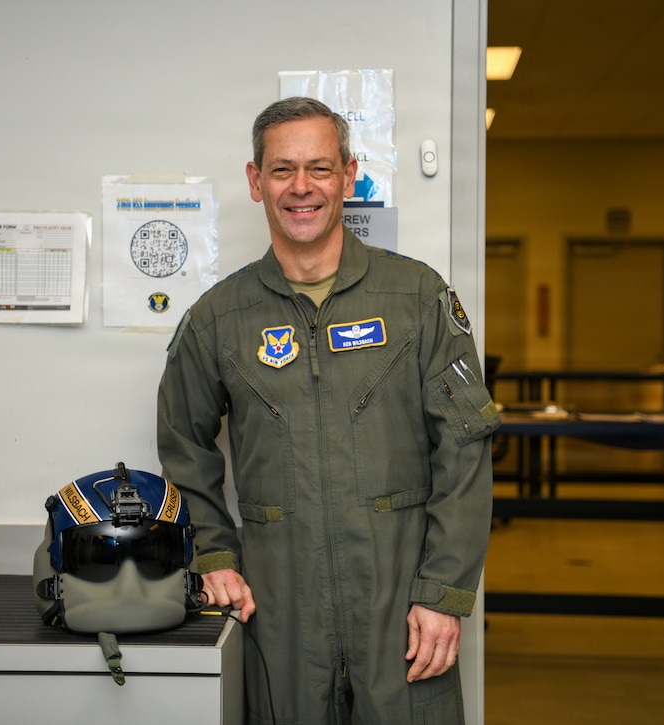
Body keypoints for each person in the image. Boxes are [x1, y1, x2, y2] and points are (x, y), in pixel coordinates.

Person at [156, 96, 500, 724]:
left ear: (349, 174)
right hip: (279, 606)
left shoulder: (417, 298)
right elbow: (183, 444)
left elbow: (465, 450)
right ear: (256, 182)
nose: (302, 187)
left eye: (319, 167)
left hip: (402, 605)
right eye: (282, 170)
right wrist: (215, 554)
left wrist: (444, 594)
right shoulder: (219, 319)